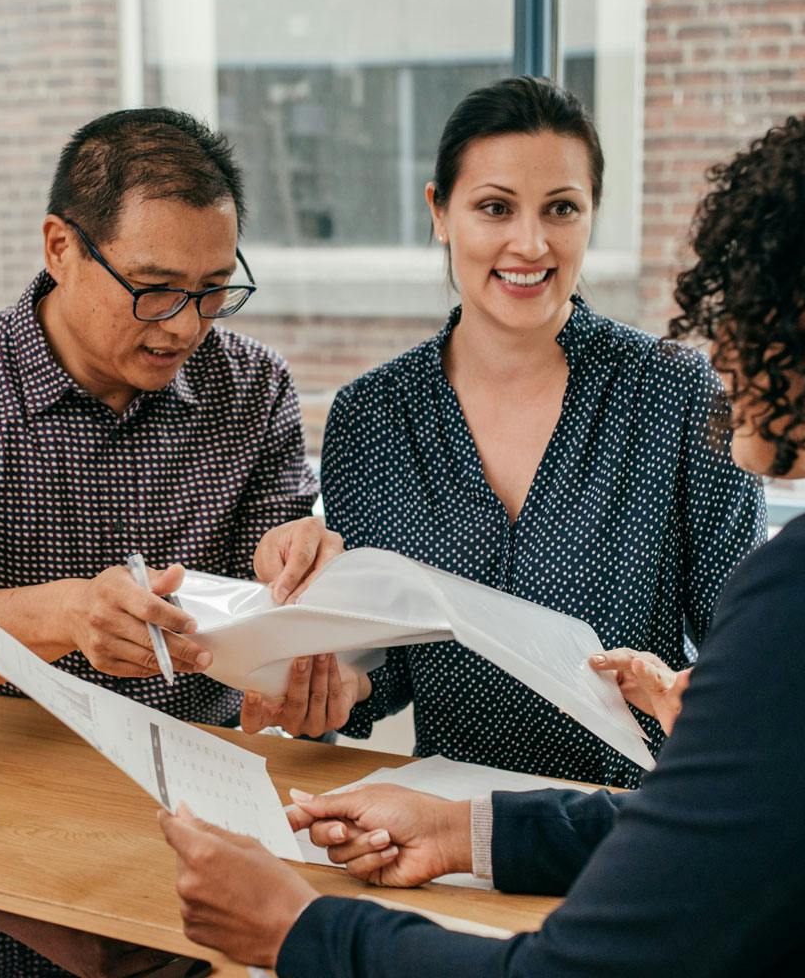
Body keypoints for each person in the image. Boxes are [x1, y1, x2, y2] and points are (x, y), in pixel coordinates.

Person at [157, 87, 805, 976]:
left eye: (738, 307)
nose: (720, 348)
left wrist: (302, 932)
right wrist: (477, 829)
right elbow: (767, 831)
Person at [0, 107, 345, 975]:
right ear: (60, 247)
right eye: (154, 287)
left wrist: (310, 634)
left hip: (205, 843)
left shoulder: (255, 388)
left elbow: (277, 583)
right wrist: (74, 615)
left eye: (214, 288)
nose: (186, 326)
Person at [294, 76, 764, 785]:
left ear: (591, 215)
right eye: (494, 207)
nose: (530, 242)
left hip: (631, 830)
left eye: (561, 209)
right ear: (440, 212)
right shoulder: (371, 419)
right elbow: (382, 668)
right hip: (438, 826)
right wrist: (337, 688)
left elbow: (747, 647)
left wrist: (683, 691)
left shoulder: (677, 393)